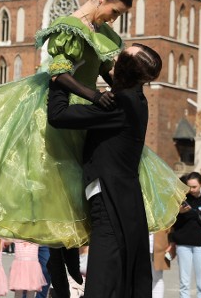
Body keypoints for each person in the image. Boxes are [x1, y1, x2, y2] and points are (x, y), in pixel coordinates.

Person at [0, 0, 185, 248]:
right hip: (57, 102)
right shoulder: (69, 28)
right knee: (49, 179)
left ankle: (69, 257)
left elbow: (107, 70)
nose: (113, 19)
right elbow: (58, 75)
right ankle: (60, 260)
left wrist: (126, 97)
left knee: (73, 183)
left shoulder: (103, 34)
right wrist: (94, 95)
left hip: (87, 104)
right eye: (114, 11)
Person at [47, 43, 166, 297]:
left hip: (111, 203)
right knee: (120, 281)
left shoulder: (121, 103)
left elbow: (58, 116)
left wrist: (60, 78)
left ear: (123, 69)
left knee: (102, 282)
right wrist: (101, 70)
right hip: (125, 202)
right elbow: (115, 85)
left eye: (121, 56)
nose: (116, 54)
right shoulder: (137, 98)